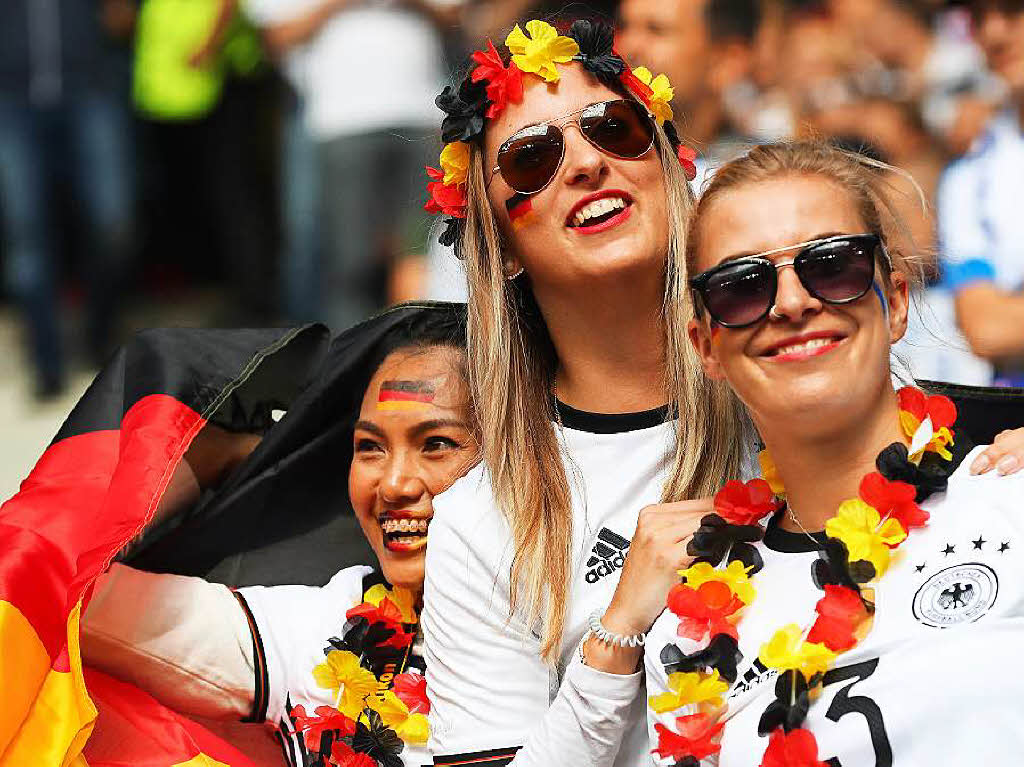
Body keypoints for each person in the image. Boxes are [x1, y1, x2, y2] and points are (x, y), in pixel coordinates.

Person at [417, 17, 1024, 767]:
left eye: (615, 128)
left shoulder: (807, 353)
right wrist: (615, 636)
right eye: (533, 157)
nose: (584, 164)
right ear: (497, 242)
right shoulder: (484, 521)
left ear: (670, 166)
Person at [646, 140, 1024, 765]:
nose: (793, 303)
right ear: (705, 346)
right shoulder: (692, 629)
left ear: (896, 301)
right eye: (742, 287)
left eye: (834, 264)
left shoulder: (1010, 499)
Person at [82, 314, 479, 767]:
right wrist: (227, 457)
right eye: (370, 447)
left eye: (437, 444)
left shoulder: (573, 636)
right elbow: (56, 586)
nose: (392, 485)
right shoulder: (327, 631)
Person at [936, 0, 1024, 386]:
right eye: (978, 17)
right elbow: (987, 328)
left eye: (1013, 10)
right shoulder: (968, 176)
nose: (993, 34)